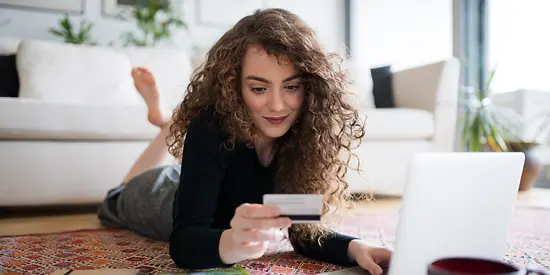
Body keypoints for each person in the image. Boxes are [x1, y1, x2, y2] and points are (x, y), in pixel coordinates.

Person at [98, 8, 392, 275]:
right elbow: (184, 241)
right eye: (259, 88)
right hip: (161, 199)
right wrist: (232, 242)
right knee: (117, 195)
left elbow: (303, 232)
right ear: (233, 87)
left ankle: (169, 124)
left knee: (185, 173)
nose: (277, 106)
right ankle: (167, 125)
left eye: (291, 87)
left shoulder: (305, 131)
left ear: (311, 87)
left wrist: (356, 247)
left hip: (195, 181)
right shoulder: (210, 126)